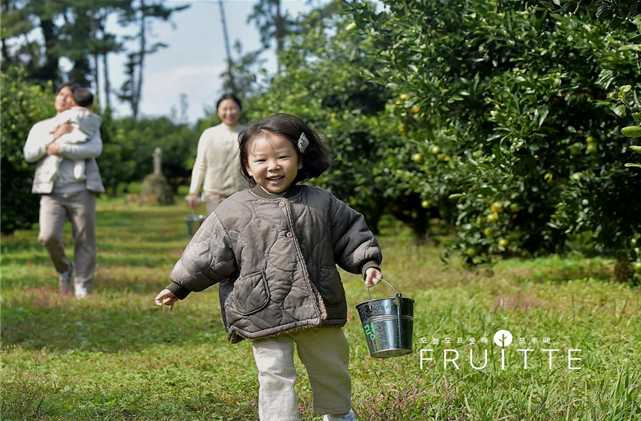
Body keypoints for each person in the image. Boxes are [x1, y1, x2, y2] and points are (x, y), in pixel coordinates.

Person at [155, 113, 384, 421]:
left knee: (331, 365)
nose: (273, 166)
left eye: (283, 157)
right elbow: (206, 253)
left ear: (299, 161)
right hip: (262, 309)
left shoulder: (320, 202)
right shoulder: (233, 210)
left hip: (319, 305)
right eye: (261, 160)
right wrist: (178, 287)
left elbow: (350, 233)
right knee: (274, 374)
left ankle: (338, 414)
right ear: (248, 167)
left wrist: (367, 261)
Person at [23, 82, 105, 299]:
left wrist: (61, 148)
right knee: (47, 236)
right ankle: (65, 269)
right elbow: (30, 154)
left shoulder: (86, 124)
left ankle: (83, 285)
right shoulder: (42, 127)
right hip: (51, 190)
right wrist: (55, 136)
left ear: (75, 102)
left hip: (81, 189)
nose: (62, 98)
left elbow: (94, 149)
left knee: (85, 239)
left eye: (68, 96)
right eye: (60, 94)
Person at [187, 93, 248, 214]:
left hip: (243, 194)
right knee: (218, 231)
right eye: (224, 109)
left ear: (240, 110)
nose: (229, 113)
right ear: (218, 112)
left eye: (233, 108)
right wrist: (193, 192)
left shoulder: (248, 134)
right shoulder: (209, 134)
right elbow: (201, 164)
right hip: (214, 195)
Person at [40, 87, 102, 183]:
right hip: (83, 140)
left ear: (73, 102)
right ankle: (79, 174)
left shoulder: (70, 113)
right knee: (80, 158)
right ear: (91, 105)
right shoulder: (93, 118)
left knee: (55, 155)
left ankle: (52, 170)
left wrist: (55, 131)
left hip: (68, 138)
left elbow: (59, 121)